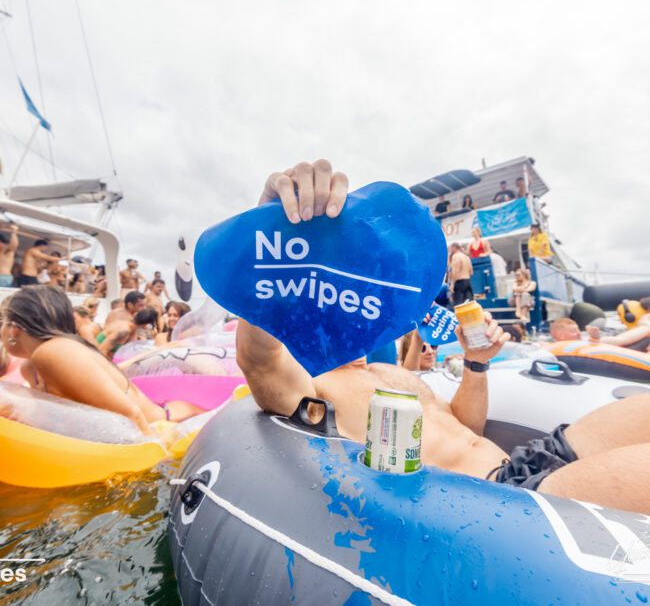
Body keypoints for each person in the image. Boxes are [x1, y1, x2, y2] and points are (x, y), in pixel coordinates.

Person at [238, 160, 650, 514]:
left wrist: (476, 361)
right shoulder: (316, 390)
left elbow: (466, 425)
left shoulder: (389, 371)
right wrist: (272, 233)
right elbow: (259, 359)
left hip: (529, 460)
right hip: (507, 502)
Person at [0, 286, 204, 429]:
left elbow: (131, 414)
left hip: (172, 422)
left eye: (2, 322)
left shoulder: (52, 353)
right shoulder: (33, 366)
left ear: (14, 328)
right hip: (159, 418)